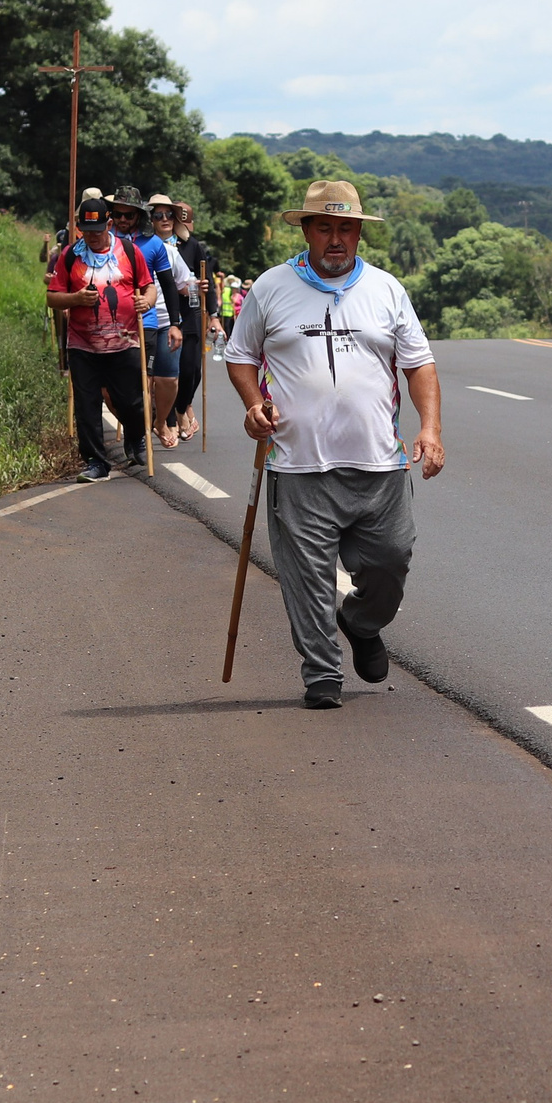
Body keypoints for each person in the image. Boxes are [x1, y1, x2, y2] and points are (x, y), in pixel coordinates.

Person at [223, 179, 444, 709]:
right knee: (306, 578)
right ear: (306, 229)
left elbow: (418, 364)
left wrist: (430, 428)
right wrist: (254, 404)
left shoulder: (387, 290)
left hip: (379, 463)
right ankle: (321, 673)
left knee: (391, 560)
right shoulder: (270, 288)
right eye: (326, 227)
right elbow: (239, 355)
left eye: (347, 227)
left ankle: (362, 623)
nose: (337, 238)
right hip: (297, 464)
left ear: (360, 233)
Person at [46, 187, 158, 481]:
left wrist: (147, 301)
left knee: (132, 403)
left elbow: (149, 286)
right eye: (86, 230)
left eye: (97, 229)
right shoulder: (70, 256)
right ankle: (96, 461)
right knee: (87, 405)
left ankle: (135, 437)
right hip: (83, 346)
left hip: (125, 343)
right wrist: (76, 299)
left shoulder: (130, 252)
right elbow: (52, 297)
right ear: (79, 227)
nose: (92, 235)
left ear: (109, 225)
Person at [114, 187, 193, 451]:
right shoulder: (105, 242)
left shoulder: (156, 245)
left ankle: (160, 422)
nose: (124, 220)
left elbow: (173, 285)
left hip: (159, 321)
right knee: (140, 382)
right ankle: (139, 429)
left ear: (139, 216)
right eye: (119, 215)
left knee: (168, 379)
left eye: (130, 215)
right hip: (127, 323)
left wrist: (175, 323)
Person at [167, 198, 212, 438]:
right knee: (174, 371)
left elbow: (209, 282)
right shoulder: (156, 245)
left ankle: (182, 407)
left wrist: (213, 315)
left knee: (193, 370)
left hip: (192, 313)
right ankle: (174, 415)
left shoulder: (193, 246)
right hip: (166, 313)